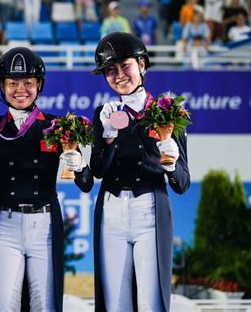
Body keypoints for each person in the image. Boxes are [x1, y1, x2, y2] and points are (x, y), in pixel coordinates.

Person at [0, 47, 93, 311]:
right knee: (4, 305)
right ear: (2, 86)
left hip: (44, 225)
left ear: (39, 85)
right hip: (6, 226)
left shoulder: (57, 126)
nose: (20, 89)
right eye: (12, 83)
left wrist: (79, 165)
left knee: (44, 304)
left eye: (28, 83)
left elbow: (86, 183)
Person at [90, 32, 190, 311]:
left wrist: (170, 163)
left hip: (149, 209)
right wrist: (108, 137)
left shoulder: (168, 112)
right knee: (115, 302)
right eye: (110, 70)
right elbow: (97, 170)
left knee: (151, 301)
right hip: (111, 212)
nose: (119, 75)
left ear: (142, 65)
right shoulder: (104, 112)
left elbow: (182, 183)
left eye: (125, 66)